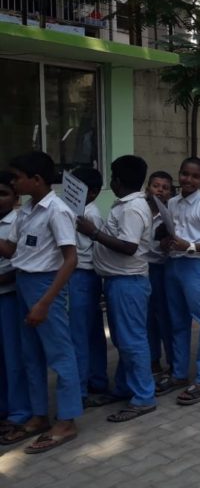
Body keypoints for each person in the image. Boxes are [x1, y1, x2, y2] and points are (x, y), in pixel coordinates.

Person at [0, 152, 81, 453]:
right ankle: (38, 415)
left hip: (47, 286)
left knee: (60, 355)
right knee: (30, 355)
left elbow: (70, 259)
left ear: (36, 180)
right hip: (23, 283)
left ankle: (68, 419)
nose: (13, 182)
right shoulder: (26, 212)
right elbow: (12, 250)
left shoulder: (56, 210)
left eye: (17, 178)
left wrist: (45, 302)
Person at [78, 155, 156, 422]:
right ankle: (124, 388)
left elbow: (129, 246)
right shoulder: (126, 205)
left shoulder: (132, 209)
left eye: (112, 175)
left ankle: (143, 397)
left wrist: (94, 233)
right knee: (124, 341)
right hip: (118, 281)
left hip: (128, 282)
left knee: (132, 341)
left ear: (118, 180)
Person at [158, 157, 200, 404]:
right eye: (184, 174)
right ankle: (178, 373)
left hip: (195, 266)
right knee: (177, 322)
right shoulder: (172, 203)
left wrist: (191, 246)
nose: (188, 179)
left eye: (195, 176)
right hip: (173, 266)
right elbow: (168, 234)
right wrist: (166, 243)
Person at [68, 167, 109, 407]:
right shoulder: (84, 210)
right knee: (92, 333)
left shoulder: (86, 214)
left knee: (79, 335)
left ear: (92, 192)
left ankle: (81, 389)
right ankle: (97, 379)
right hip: (89, 275)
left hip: (81, 274)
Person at [0, 171, 32, 442]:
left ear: (15, 197)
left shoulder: (17, 221)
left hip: (9, 295)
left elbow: (20, 260)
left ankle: (19, 412)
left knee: (13, 358)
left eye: (3, 194)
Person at [145, 171, 174, 376]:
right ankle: (153, 359)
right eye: (156, 186)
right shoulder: (140, 211)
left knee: (166, 316)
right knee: (147, 319)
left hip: (163, 268)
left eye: (165, 188)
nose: (160, 190)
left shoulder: (171, 213)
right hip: (143, 268)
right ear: (148, 189)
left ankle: (173, 361)